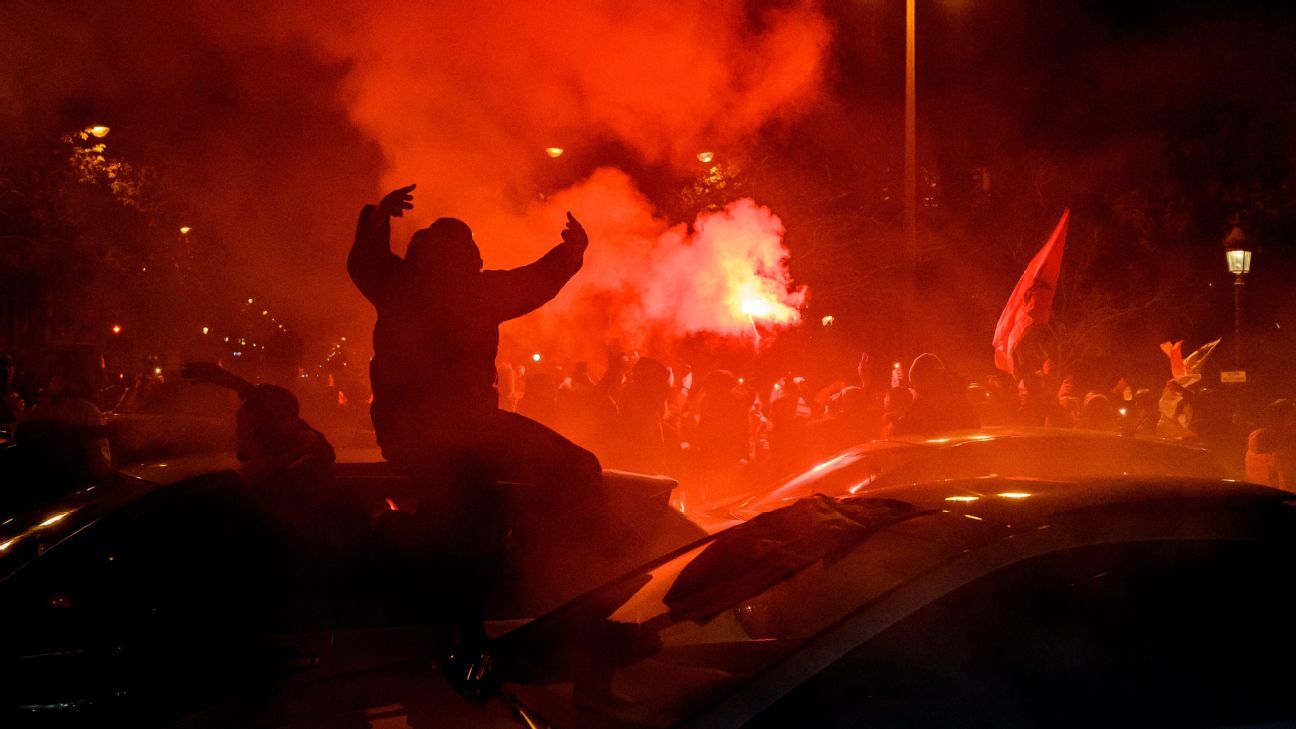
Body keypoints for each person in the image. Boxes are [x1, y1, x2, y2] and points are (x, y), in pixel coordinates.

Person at [348, 184, 602, 495]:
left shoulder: (398, 286)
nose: (474, 249)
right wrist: (572, 250)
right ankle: (548, 539)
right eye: (467, 243)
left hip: (402, 433)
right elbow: (536, 281)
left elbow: (366, 262)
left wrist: (378, 219)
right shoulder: (478, 294)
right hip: (471, 431)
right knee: (579, 467)